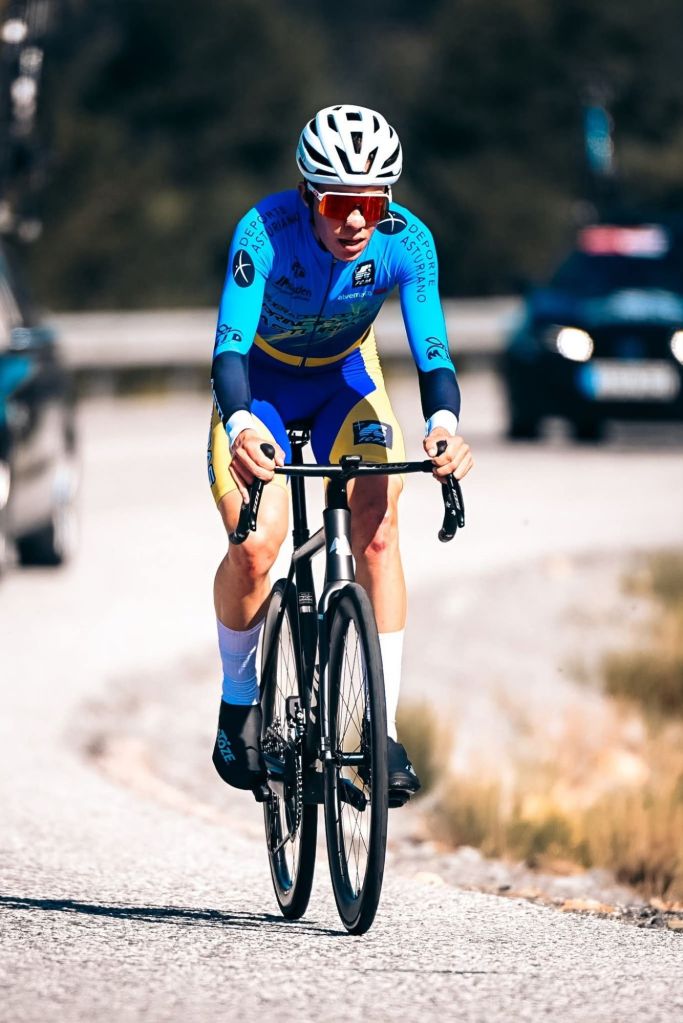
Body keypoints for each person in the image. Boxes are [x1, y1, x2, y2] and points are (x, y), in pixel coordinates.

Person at [208, 104, 473, 803]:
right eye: (337, 202)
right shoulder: (264, 231)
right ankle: (238, 703)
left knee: (378, 532)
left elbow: (433, 352)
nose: (355, 220)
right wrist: (241, 424)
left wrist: (443, 425)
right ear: (308, 195)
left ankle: (381, 732)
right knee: (256, 549)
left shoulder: (408, 243)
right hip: (259, 387)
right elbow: (229, 350)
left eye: (371, 202)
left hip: (343, 383)